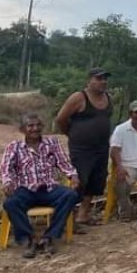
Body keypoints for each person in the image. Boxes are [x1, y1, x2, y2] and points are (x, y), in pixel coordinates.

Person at [0, 113, 80, 258]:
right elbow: (5, 169)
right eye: (30, 125)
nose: (35, 128)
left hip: (49, 188)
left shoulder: (52, 143)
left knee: (71, 195)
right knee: (10, 203)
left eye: (38, 125)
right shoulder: (14, 147)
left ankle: (50, 237)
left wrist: (73, 175)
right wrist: (7, 183)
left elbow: (64, 164)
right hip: (26, 190)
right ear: (22, 129)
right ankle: (28, 240)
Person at [55, 67, 113, 226]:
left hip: (101, 148)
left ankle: (83, 215)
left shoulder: (108, 97)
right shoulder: (78, 98)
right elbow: (61, 119)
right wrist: (72, 134)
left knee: (96, 182)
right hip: (81, 149)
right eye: (99, 78)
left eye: (105, 78)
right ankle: (68, 218)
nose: (103, 82)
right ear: (89, 80)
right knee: (79, 181)